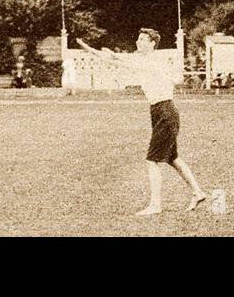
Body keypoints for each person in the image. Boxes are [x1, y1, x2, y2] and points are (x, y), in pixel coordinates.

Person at [78, 29, 208, 215]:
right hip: (161, 111)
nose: (138, 42)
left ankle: (155, 205)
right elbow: (117, 59)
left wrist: (101, 52)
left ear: (152, 43)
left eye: (142, 39)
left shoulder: (150, 61)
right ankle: (198, 192)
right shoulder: (147, 60)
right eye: (138, 39)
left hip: (164, 111)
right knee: (172, 158)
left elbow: (117, 59)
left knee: (152, 160)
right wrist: (91, 50)